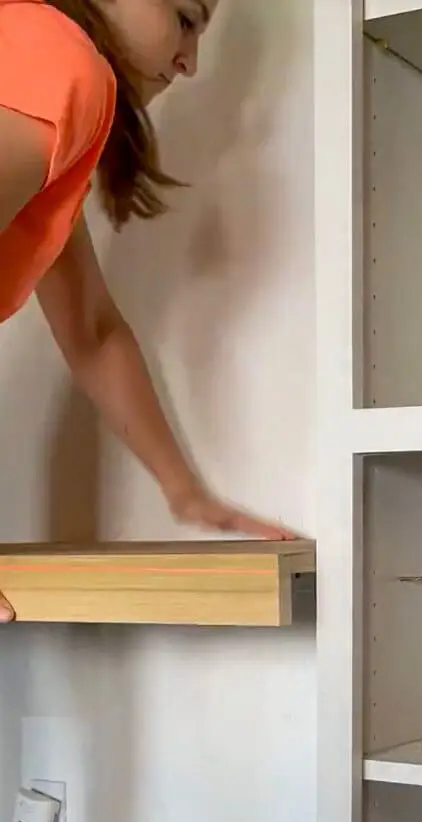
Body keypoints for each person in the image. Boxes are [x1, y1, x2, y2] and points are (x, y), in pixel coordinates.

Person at [0, 0, 295, 622]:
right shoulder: (57, 61)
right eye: (185, 19)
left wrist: (185, 493)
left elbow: (93, 331)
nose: (189, 63)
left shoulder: (37, 69)